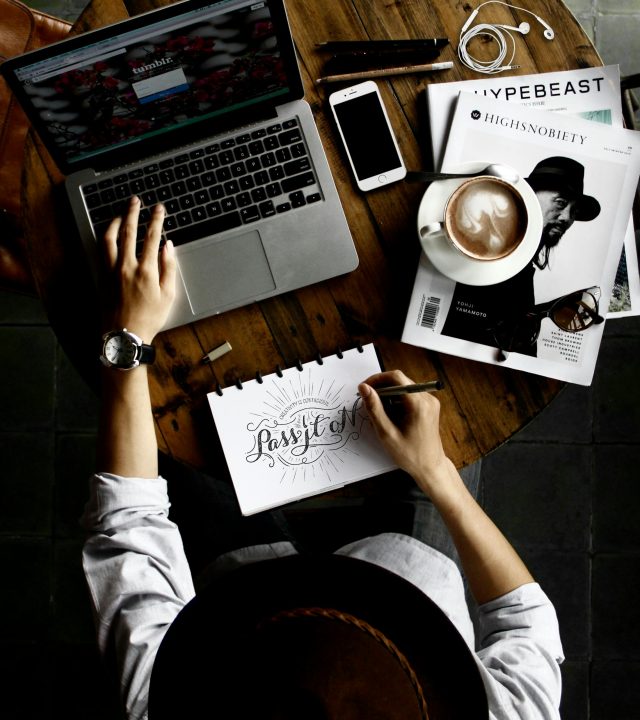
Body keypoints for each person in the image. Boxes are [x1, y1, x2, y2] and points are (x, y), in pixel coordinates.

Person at [82, 196, 564, 719]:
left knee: (182, 429)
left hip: (241, 588)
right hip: (412, 571)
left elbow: (128, 523)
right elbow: (524, 619)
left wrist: (127, 341)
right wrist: (434, 471)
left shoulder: (166, 701)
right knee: (444, 388)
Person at [441, 156, 601, 356]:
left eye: (575, 211)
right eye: (560, 203)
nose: (568, 218)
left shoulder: (523, 268)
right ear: (530, 196)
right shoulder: (490, 253)